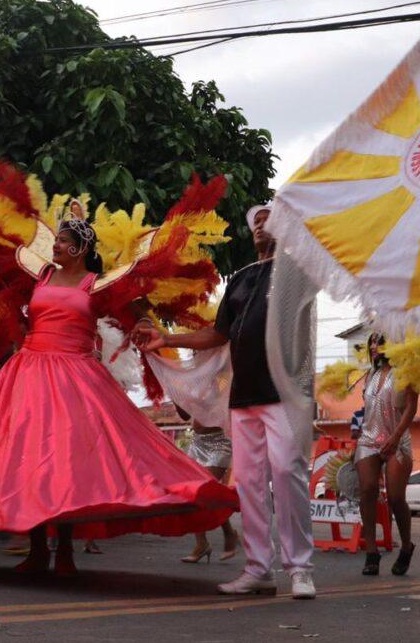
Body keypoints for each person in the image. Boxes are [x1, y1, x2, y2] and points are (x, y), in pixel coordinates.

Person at [0, 206, 239, 577]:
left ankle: (67, 553)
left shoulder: (97, 284)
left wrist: (141, 322)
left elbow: (135, 307)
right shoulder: (40, 275)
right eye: (56, 239)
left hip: (77, 378)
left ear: (78, 249)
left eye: (62, 241)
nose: (54, 245)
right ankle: (39, 549)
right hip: (29, 372)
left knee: (69, 466)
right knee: (30, 460)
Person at [135, 204, 316, 600]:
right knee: (249, 484)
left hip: (284, 394)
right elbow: (218, 335)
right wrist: (168, 340)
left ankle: (300, 569)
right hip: (243, 396)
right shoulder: (241, 278)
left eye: (270, 219)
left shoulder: (299, 272)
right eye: (256, 222)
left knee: (287, 473)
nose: (260, 226)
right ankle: (257, 570)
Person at [355, 333, 417, 577]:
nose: (373, 346)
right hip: (369, 439)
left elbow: (411, 407)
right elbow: (368, 410)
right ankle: (371, 551)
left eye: (379, 342)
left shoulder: (407, 371)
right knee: (368, 489)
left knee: (395, 497)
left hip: (397, 440)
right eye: (371, 342)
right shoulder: (370, 374)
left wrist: (395, 437)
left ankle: (407, 545)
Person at [176, 406, 239, 564]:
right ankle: (202, 543)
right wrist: (176, 397)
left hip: (219, 443)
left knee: (205, 490)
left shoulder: (223, 383)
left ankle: (228, 534)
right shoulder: (193, 385)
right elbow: (185, 416)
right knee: (193, 494)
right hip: (197, 444)